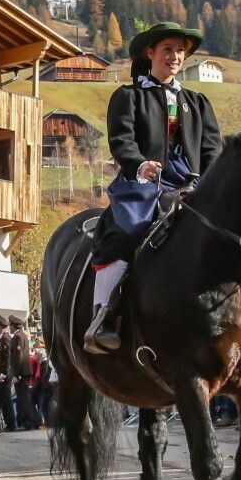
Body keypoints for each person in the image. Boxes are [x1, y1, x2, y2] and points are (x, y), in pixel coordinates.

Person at [84, 21, 221, 353]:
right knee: (126, 231)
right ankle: (104, 316)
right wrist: (139, 165)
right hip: (144, 183)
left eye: (179, 51)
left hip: (191, 182)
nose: (174, 57)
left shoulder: (198, 102)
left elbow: (212, 149)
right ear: (151, 53)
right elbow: (122, 141)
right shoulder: (128, 96)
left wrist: (208, 180)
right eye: (167, 50)